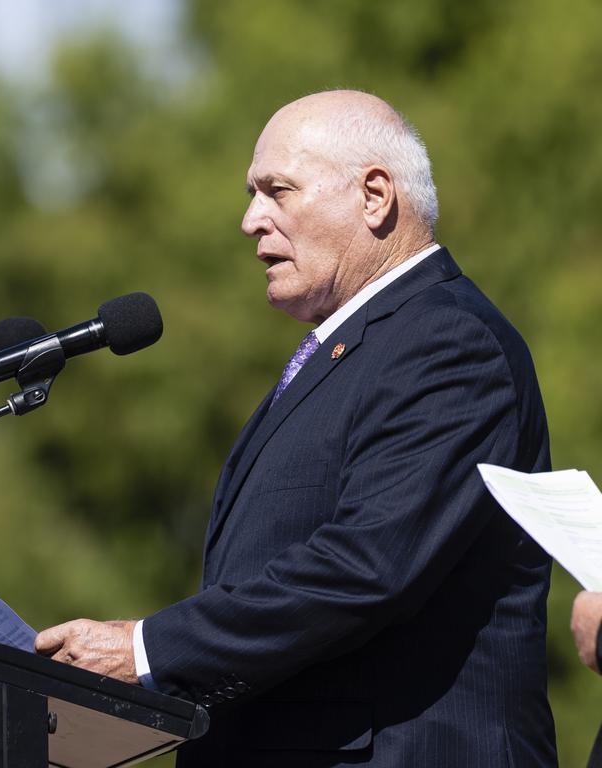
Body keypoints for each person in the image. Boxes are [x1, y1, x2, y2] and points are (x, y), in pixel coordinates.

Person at [35, 90, 556, 766]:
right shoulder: (353, 348)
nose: (251, 220)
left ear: (374, 195)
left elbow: (366, 565)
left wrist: (145, 649)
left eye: (277, 191)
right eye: (253, 194)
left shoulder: (448, 341)